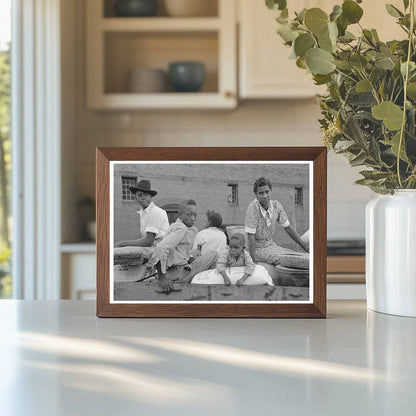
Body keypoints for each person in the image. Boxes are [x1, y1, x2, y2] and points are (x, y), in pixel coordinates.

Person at [147, 199, 218, 293]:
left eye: (195, 215)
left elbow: (175, 252)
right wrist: (162, 277)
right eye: (189, 215)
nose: (193, 218)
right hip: (180, 272)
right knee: (214, 254)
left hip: (175, 270)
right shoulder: (182, 228)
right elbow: (160, 249)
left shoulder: (175, 226)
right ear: (180, 215)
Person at [245, 177, 308, 265]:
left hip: (271, 245)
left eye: (267, 192)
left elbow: (288, 228)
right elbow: (250, 237)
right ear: (256, 194)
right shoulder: (253, 208)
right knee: (290, 260)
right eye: (261, 193)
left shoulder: (276, 206)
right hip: (257, 249)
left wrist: (304, 245)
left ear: (271, 191)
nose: (264, 196)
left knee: (296, 255)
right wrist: (254, 262)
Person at [113, 179, 169, 262]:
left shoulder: (155, 212)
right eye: (140, 195)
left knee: (117, 251)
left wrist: (121, 243)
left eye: (146, 195)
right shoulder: (143, 212)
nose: (143, 198)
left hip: (159, 253)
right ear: (136, 197)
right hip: (151, 250)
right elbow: (145, 240)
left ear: (151, 196)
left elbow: (148, 241)